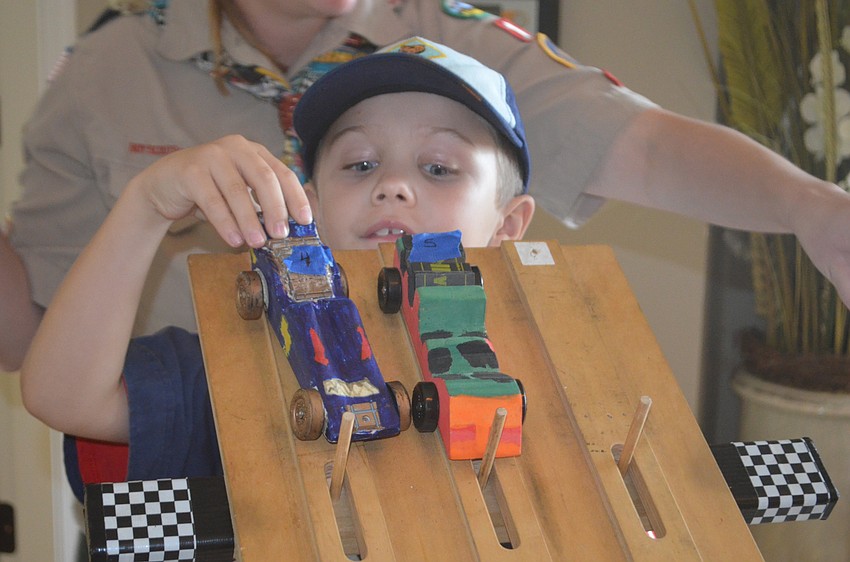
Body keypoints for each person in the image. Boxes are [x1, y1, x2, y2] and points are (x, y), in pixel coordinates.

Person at [19, 37, 536, 500]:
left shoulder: (560, 367)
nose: (392, 185)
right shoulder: (240, 366)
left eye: (438, 168)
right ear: (306, 205)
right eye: (360, 164)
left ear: (509, 225)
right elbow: (63, 397)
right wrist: (145, 205)